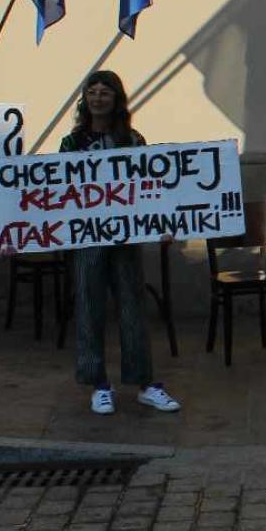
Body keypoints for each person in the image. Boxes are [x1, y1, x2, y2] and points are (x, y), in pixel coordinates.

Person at [60, 70, 181, 415]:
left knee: (132, 307)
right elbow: (58, 193)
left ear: (117, 99)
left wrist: (163, 224)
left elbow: (150, 187)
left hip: (126, 236)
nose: (99, 98)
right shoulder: (72, 143)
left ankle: (144, 382)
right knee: (88, 306)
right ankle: (98, 383)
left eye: (105, 92)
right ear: (85, 99)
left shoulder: (133, 140)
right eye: (92, 92)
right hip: (87, 240)